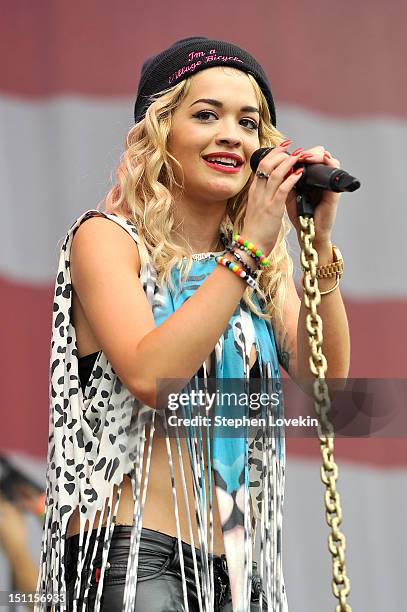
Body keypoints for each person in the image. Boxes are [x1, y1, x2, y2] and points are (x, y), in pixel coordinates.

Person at [35, 37, 350, 612]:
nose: (232, 133)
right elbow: (154, 377)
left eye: (248, 122)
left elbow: (326, 386)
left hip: (234, 568)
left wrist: (318, 246)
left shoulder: (251, 269)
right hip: (133, 561)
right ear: (160, 131)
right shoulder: (107, 240)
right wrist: (251, 251)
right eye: (206, 114)